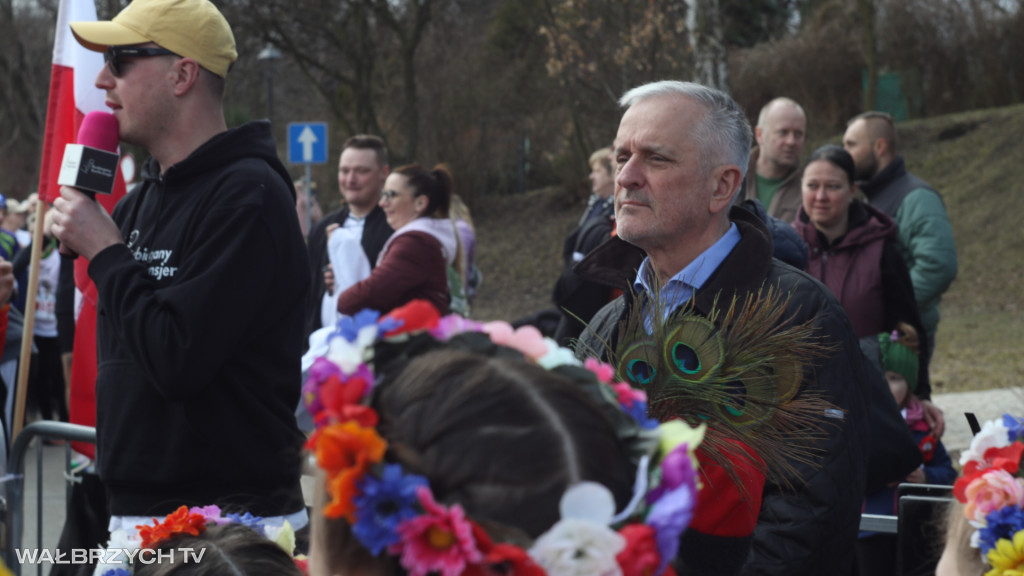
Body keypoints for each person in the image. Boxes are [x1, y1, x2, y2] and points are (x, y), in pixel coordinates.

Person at [574, 80, 870, 575]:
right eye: (621, 155)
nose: (625, 176)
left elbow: (808, 513)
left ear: (722, 186)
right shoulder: (605, 325)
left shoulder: (798, 314)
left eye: (656, 159)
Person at [51, 0, 309, 538]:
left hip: (227, 525)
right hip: (133, 511)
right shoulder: (137, 202)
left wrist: (108, 253)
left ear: (182, 74)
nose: (102, 80)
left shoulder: (250, 195)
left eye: (120, 60)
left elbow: (177, 359)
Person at [791, 145, 938, 403]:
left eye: (833, 186)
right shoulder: (785, 247)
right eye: (812, 186)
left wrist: (921, 393)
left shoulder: (882, 250)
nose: (821, 196)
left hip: (868, 398)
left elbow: (908, 327)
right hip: (802, 402)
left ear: (852, 190)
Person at [843, 112, 958, 366]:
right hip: (877, 338)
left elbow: (938, 265)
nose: (845, 153)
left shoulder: (917, 198)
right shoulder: (870, 198)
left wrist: (892, 309)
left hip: (904, 339)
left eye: (851, 144)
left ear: (879, 147)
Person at [858, 323, 955, 576]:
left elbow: (949, 474)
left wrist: (927, 478)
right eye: (882, 377)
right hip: (867, 528)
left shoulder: (923, 429)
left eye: (895, 378)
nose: (888, 386)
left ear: (910, 385)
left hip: (912, 530)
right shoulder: (859, 423)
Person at [336, 164, 459, 316]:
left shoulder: (415, 243)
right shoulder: (422, 240)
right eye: (383, 194)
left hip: (414, 336)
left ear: (420, 203)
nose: (382, 203)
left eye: (391, 195)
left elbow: (373, 292)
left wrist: (341, 299)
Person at [306, 135, 393, 338]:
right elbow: (307, 295)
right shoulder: (321, 229)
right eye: (344, 171)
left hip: (379, 346)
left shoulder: (395, 228)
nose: (350, 180)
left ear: (384, 173)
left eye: (361, 171)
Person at [551, 147, 616, 345]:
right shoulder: (596, 204)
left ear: (612, 174)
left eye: (597, 171)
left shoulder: (613, 210)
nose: (591, 177)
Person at [739, 97, 806, 223]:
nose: (791, 141)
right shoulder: (733, 178)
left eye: (798, 134)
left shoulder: (810, 188)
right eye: (783, 132)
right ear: (759, 135)